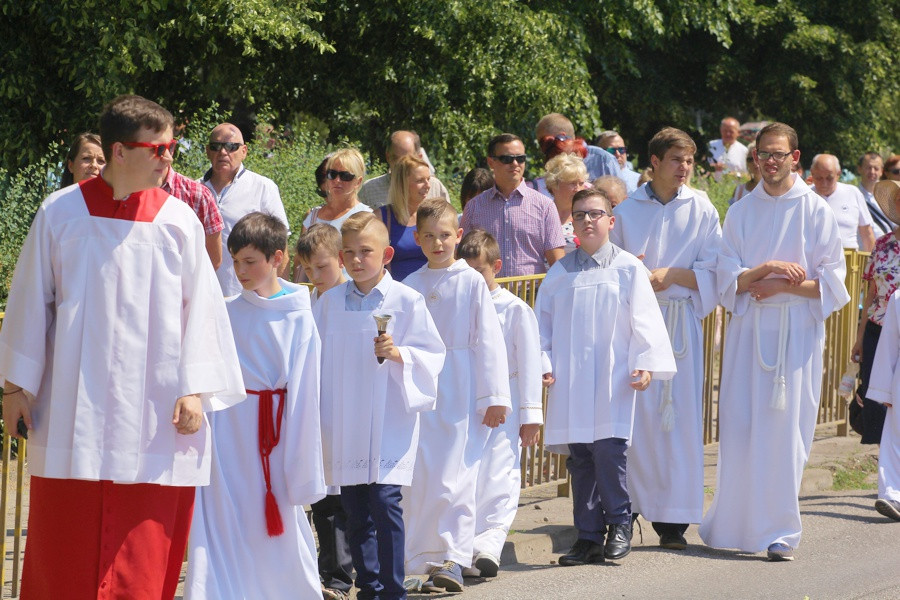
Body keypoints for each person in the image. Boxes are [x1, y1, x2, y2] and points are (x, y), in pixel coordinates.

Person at [0, 94, 245, 598]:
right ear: (118, 151)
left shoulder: (179, 221)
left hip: (155, 413)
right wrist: (14, 388)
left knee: (143, 551)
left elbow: (202, 311)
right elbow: (29, 303)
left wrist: (196, 389)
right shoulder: (60, 213)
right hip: (74, 405)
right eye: (158, 148)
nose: (169, 158)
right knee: (65, 545)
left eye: (172, 146)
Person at [698, 122, 850, 562]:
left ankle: (781, 532)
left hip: (796, 334)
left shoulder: (816, 211)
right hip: (748, 335)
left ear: (794, 158)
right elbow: (727, 279)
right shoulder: (742, 210)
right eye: (763, 153)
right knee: (742, 428)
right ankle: (733, 524)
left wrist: (781, 288)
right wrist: (763, 270)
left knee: (787, 433)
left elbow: (834, 284)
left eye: (778, 154)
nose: (770, 160)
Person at [186, 212, 325, 599]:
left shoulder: (299, 312)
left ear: (277, 258)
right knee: (223, 512)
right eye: (235, 261)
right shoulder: (226, 309)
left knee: (277, 512)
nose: (240, 270)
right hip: (228, 427)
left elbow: (306, 389)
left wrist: (300, 458)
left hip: (276, 432)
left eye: (250, 261)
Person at [537, 188, 676, 565]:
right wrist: (544, 364)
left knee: (609, 452)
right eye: (579, 214)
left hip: (613, 377)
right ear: (572, 223)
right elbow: (542, 327)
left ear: (610, 221)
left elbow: (646, 319)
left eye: (595, 214)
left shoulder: (628, 267)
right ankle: (587, 536)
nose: (587, 220)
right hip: (573, 379)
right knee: (581, 458)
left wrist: (645, 363)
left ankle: (619, 522)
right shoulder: (559, 272)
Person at [313, 212, 445, 600]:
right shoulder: (329, 302)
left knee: (385, 503)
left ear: (387, 254)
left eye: (365, 252)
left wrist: (400, 353)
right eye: (349, 252)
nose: (356, 260)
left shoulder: (406, 300)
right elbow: (313, 355)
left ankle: (392, 588)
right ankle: (368, 587)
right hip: (346, 419)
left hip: (389, 416)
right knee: (354, 507)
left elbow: (433, 354)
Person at [610, 127, 721, 550]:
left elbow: (716, 272)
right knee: (636, 419)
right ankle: (629, 509)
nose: (684, 168)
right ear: (654, 162)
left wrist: (672, 275)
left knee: (677, 422)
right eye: (676, 160)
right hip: (636, 325)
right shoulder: (628, 209)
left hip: (679, 324)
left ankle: (673, 521)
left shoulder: (702, 208)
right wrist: (633, 273)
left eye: (689, 161)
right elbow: (609, 263)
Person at [403, 199, 511, 593]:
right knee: (423, 475)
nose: (437, 243)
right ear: (417, 239)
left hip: (462, 387)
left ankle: (453, 556)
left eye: (444, 235)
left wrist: (494, 395)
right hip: (423, 389)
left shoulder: (470, 281)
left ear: (458, 235)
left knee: (458, 475)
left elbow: (489, 340)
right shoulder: (411, 285)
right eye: (428, 236)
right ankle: (421, 558)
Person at [457, 230, 543, 578]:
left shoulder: (515, 309)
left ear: (497, 267)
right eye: (467, 273)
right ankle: (462, 548)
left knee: (500, 473)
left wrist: (531, 415)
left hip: (504, 402)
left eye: (480, 272)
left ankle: (489, 545)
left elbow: (530, 364)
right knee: (467, 476)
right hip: (464, 401)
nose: (474, 280)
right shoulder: (456, 306)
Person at [296, 224, 354, 600]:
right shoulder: (312, 300)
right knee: (323, 498)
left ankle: (339, 574)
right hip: (320, 412)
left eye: (322, 268)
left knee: (345, 500)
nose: (315, 278)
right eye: (309, 270)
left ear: (341, 259)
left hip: (348, 410)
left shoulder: (353, 299)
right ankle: (329, 571)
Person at [201, 122, 289, 295]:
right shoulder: (194, 190)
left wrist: (278, 295)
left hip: (250, 296)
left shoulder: (263, 187)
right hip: (203, 294)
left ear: (244, 151)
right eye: (215, 146)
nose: (223, 152)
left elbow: (281, 245)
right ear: (207, 150)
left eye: (231, 146)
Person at [461, 133, 566, 277]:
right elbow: (462, 258)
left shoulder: (545, 206)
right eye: (507, 159)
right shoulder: (474, 207)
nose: (515, 164)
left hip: (531, 295)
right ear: (491, 162)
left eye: (520, 158)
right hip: (487, 294)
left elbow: (557, 261)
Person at [851, 179, 900, 446]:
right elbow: (870, 293)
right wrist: (859, 338)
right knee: (876, 395)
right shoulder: (881, 244)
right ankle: (884, 467)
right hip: (877, 330)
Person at [868, 289, 900, 521]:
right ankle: (893, 494)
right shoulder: (898, 298)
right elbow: (888, 343)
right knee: (895, 435)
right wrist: (883, 388)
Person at [358, 130, 450, 208]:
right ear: (388, 157)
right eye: (396, 159)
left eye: (407, 160)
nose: (401, 165)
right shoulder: (370, 190)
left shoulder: (435, 187)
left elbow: (448, 223)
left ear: (419, 157)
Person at [378, 153, 431, 280]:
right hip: (396, 294)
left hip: (431, 292)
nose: (428, 185)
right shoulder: (381, 218)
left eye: (429, 179)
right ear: (402, 183)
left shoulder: (432, 215)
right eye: (420, 181)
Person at [809, 153, 876, 252]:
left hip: (849, 259)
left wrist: (873, 263)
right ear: (812, 174)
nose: (824, 183)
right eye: (819, 178)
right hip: (813, 259)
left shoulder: (853, 193)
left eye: (829, 178)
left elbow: (867, 233)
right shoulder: (804, 196)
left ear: (838, 174)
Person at [303, 148, 373, 232]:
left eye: (345, 176)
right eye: (332, 174)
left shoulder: (367, 218)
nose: (337, 180)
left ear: (358, 182)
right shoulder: (313, 217)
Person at [535, 113, 621, 181]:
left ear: (562, 137)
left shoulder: (603, 160)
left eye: (545, 142)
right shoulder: (551, 164)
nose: (543, 149)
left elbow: (620, 197)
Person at [544, 153, 588, 254]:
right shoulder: (541, 214)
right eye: (572, 183)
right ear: (554, 185)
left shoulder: (589, 215)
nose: (578, 189)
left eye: (581, 184)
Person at [858, 153, 895, 238]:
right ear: (859, 169)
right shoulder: (853, 196)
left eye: (876, 168)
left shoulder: (892, 197)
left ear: (881, 171)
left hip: (891, 248)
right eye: (868, 167)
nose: (872, 172)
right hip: (865, 250)